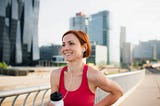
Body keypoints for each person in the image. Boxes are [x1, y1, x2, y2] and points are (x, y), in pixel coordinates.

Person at [49, 30, 123, 106]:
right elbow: (53, 102)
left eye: (71, 43)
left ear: (84, 47)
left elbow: (118, 92)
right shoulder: (56, 75)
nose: (66, 48)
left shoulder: (93, 75)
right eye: (63, 44)